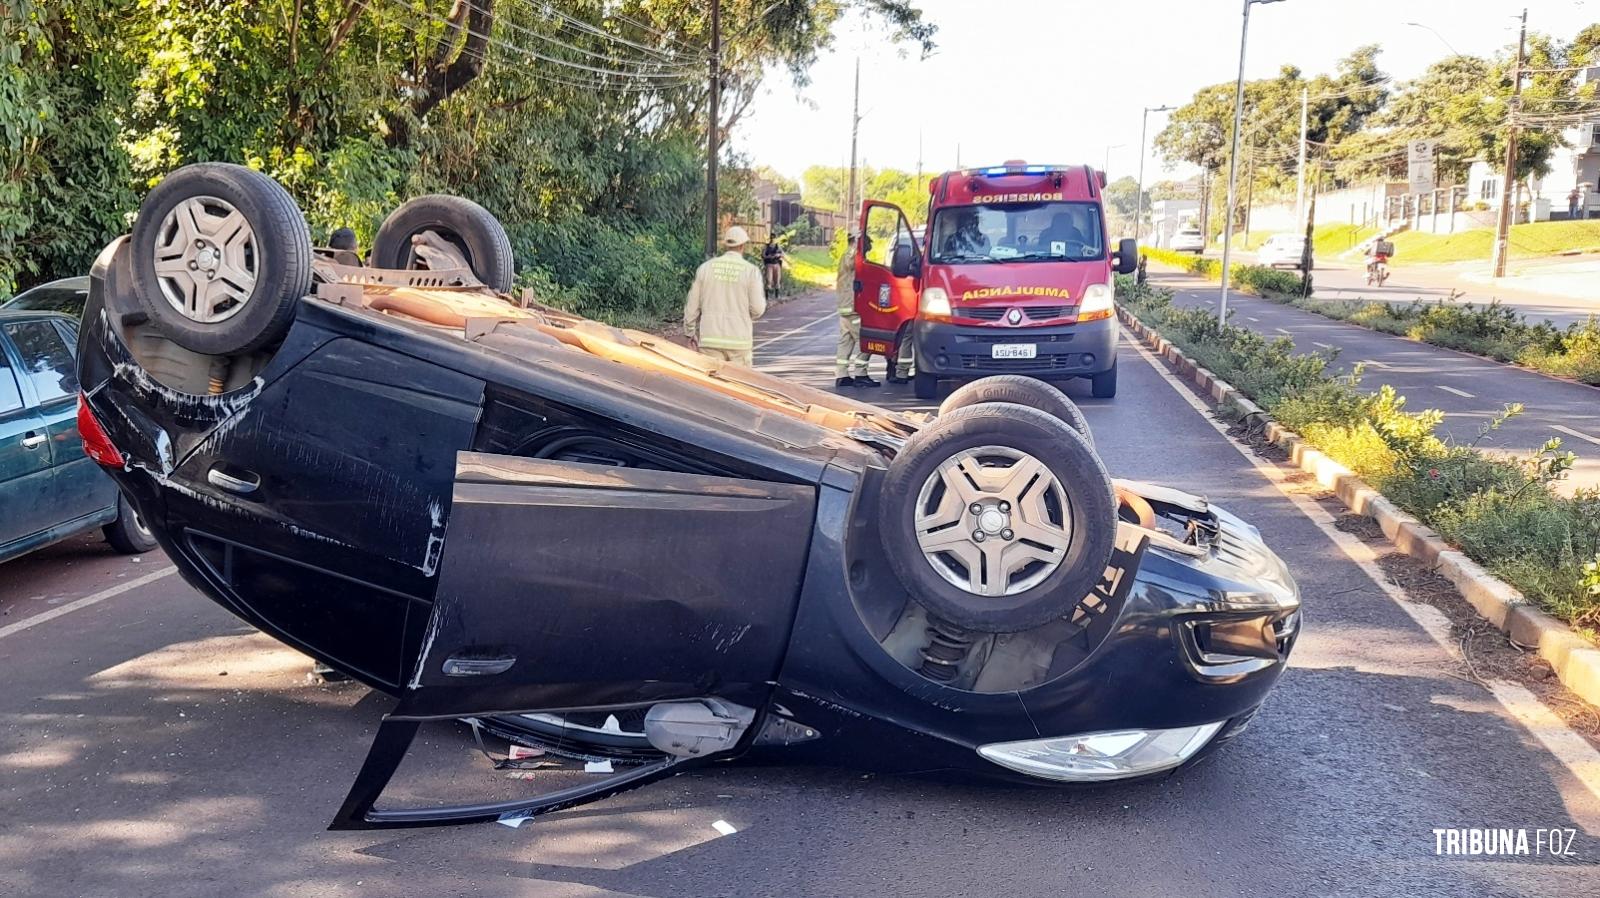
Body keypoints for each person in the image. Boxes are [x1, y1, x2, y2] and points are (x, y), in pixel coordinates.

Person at [684, 226, 766, 367]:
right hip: (739, 342)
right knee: (739, 385)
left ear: (726, 245)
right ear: (742, 246)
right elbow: (757, 309)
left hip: (710, 340)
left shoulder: (705, 268)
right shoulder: (751, 271)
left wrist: (690, 332)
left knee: (711, 385)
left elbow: (692, 305)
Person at [834, 234, 876, 388]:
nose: (869, 244)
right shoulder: (850, 254)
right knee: (866, 341)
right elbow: (852, 262)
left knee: (846, 341)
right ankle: (860, 373)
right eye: (867, 241)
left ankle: (842, 375)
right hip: (853, 307)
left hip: (846, 307)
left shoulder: (848, 255)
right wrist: (857, 249)